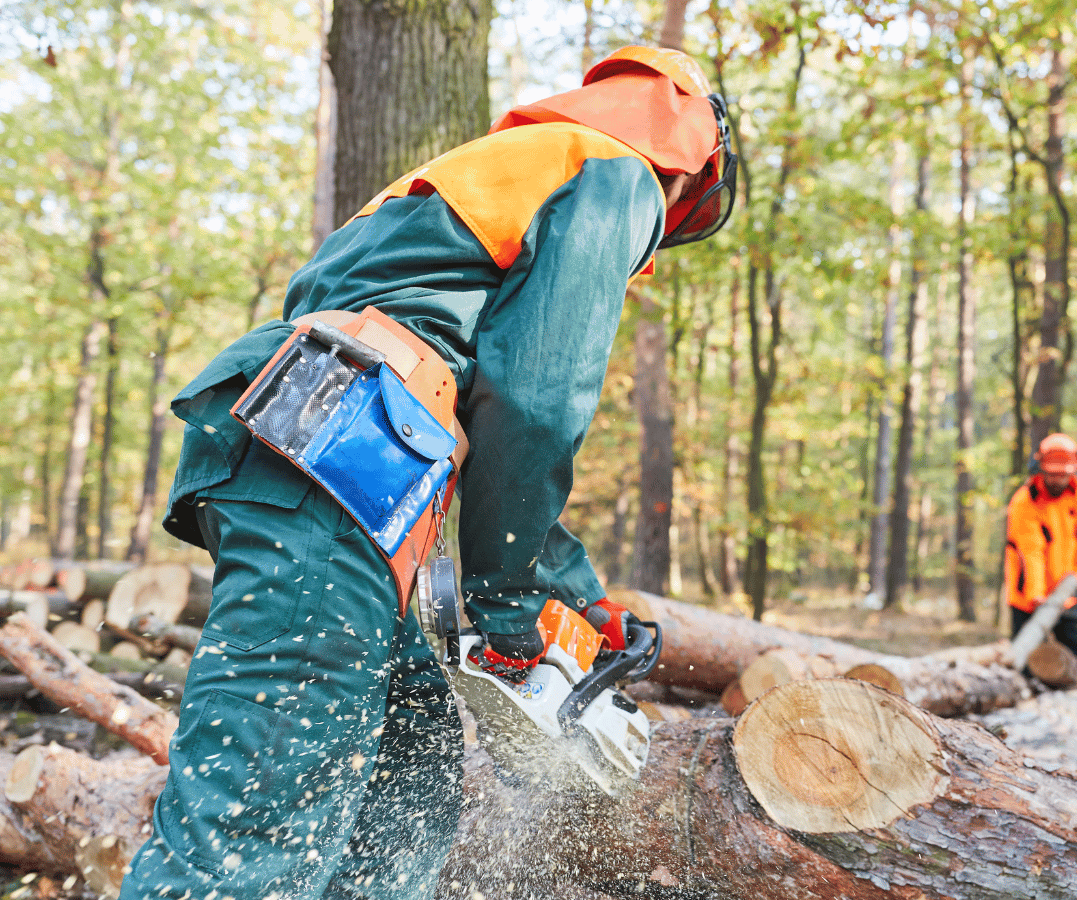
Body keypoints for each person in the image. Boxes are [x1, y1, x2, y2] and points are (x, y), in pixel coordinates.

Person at [117, 46, 737, 900]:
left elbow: (475, 401)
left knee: (410, 772)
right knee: (253, 823)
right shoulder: (615, 171)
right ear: (690, 156)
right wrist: (514, 601)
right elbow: (534, 401)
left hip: (315, 460)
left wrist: (566, 586)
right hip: (333, 473)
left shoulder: (486, 178)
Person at [1004, 433, 1077, 664]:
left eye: (1063, 475)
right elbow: (1030, 550)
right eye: (1052, 475)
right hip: (1028, 598)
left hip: (1067, 594)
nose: (1058, 480)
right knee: (1025, 664)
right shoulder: (1025, 501)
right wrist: (1036, 594)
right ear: (1041, 468)